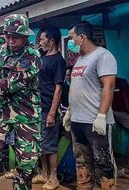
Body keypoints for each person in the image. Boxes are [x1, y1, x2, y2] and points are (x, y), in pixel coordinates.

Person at [0, 14, 42, 189]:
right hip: (1, 108)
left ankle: (22, 182)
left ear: (25, 37)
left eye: (16, 37)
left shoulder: (32, 57)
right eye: (8, 36)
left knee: (28, 162)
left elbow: (10, 84)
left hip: (25, 111)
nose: (11, 41)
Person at [63, 21, 117, 189]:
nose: (69, 41)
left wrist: (101, 116)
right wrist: (69, 113)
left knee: (103, 163)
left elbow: (109, 87)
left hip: (95, 122)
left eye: (71, 37)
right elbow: (76, 88)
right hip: (78, 120)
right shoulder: (79, 59)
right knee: (82, 162)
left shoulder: (103, 56)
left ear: (82, 37)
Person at [32, 25, 66, 190]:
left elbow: (58, 89)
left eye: (43, 40)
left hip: (48, 109)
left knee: (50, 145)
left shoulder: (59, 61)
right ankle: (44, 173)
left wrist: (52, 113)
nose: (40, 43)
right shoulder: (42, 57)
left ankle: (54, 177)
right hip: (37, 108)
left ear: (52, 41)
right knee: (41, 144)